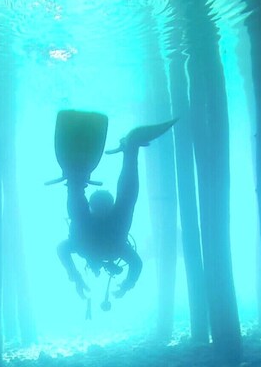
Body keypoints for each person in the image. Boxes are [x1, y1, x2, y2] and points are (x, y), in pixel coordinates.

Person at [57, 118, 176, 300]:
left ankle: (126, 153)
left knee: (122, 204)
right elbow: (136, 264)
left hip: (104, 229)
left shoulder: (100, 248)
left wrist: (76, 277)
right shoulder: (108, 249)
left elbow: (136, 264)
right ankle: (77, 181)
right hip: (109, 231)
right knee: (118, 206)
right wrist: (126, 285)